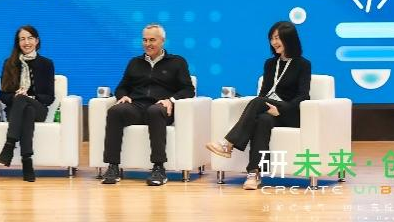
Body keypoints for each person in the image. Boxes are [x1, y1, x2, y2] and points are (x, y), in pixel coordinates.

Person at [205, 20, 311, 190]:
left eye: (278, 38)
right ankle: (254, 173)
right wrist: (268, 108)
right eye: (272, 38)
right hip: (269, 111)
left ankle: (228, 143)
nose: (274, 42)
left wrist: (281, 109)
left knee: (257, 102)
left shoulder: (303, 64)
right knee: (262, 120)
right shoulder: (270, 64)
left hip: (289, 113)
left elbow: (303, 96)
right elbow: (264, 93)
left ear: (289, 39)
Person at [101, 23, 194, 186]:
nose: (147, 44)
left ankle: (158, 168)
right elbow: (122, 87)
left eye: (152, 40)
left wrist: (171, 100)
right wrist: (123, 96)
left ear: (162, 41)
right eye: (144, 40)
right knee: (115, 111)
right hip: (137, 107)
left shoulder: (177, 62)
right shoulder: (135, 62)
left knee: (154, 111)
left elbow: (188, 89)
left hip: (162, 107)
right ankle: (112, 166)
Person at [0, 25, 55, 182]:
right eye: (22, 39)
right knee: (26, 110)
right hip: (16, 109)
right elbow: (3, 95)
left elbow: (49, 97)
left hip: (39, 108)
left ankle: (9, 145)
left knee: (25, 101)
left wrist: (29, 96)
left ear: (37, 41)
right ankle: (27, 162)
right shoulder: (9, 63)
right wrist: (16, 96)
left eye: (30, 38)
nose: (26, 42)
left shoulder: (46, 64)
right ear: (18, 42)